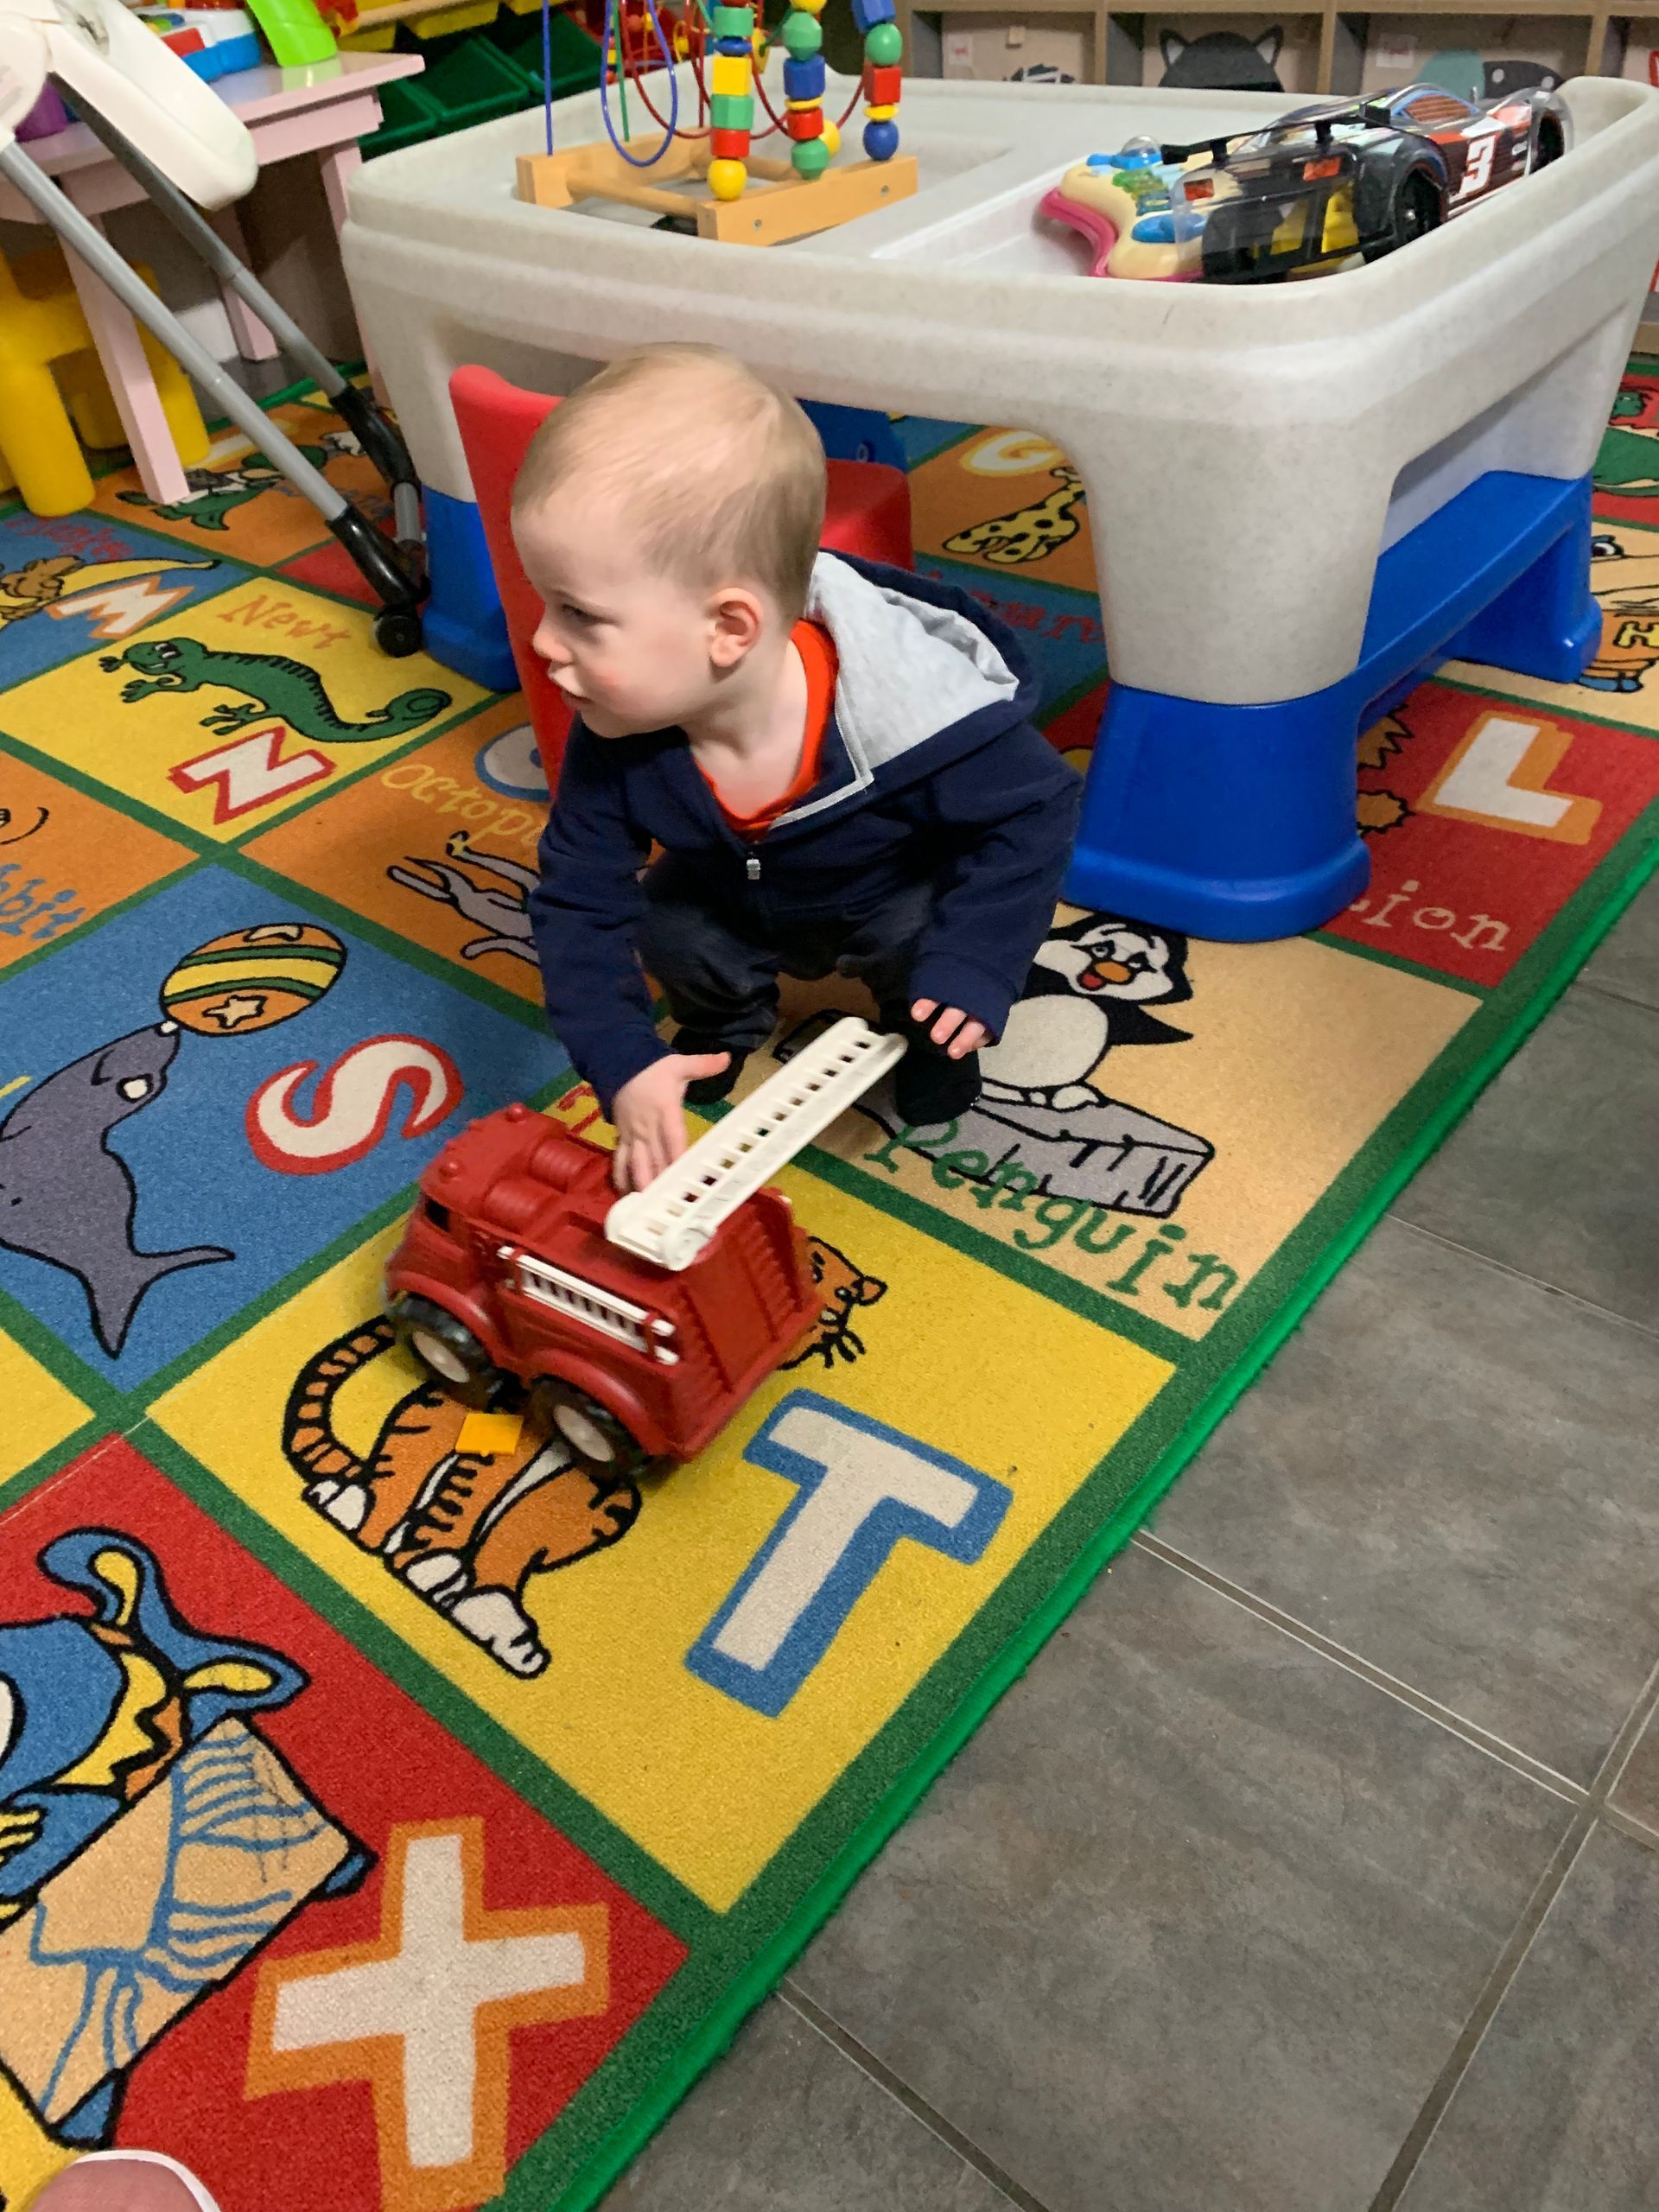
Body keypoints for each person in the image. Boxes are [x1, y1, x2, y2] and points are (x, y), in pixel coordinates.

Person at [518, 343, 1081, 1195]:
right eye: (544, 603)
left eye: (581, 616)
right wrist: (621, 1058)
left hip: (882, 900)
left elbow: (1036, 808)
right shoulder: (618, 730)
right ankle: (723, 1024)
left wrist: (977, 960)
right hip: (730, 899)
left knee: (925, 942)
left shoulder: (914, 717)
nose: (542, 643)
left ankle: (927, 1033)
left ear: (729, 630)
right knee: (668, 924)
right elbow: (577, 898)